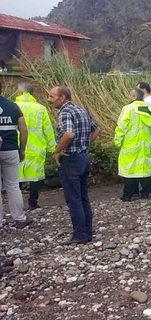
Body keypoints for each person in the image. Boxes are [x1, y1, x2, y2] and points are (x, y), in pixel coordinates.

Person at [48, 86, 99, 244]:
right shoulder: (80, 109)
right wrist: (84, 144)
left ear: (62, 97)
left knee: (74, 198)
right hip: (83, 157)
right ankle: (87, 232)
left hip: (70, 159)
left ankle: (79, 235)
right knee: (83, 197)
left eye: (51, 96)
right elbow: (97, 129)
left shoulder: (65, 112)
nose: (49, 99)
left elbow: (69, 134)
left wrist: (57, 150)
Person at [114, 88, 151, 201]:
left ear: (134, 97)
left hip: (129, 144)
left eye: (130, 95)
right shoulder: (148, 109)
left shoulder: (128, 109)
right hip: (144, 144)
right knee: (144, 169)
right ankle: (145, 193)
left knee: (128, 171)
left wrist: (117, 141)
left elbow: (122, 126)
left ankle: (128, 195)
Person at [15, 83, 56, 210]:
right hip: (37, 148)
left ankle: (17, 205)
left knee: (16, 178)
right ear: (32, 94)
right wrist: (52, 148)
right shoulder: (40, 108)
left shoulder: (13, 106)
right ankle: (33, 202)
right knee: (35, 178)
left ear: (20, 93)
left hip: (17, 147)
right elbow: (47, 130)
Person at [0, 81, 30, 229]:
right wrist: (22, 149)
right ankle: (19, 218)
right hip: (11, 150)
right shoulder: (12, 106)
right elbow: (23, 130)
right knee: (12, 185)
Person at [137, 81, 151, 194]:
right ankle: (148, 185)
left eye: (138, 89)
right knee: (150, 160)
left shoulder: (147, 102)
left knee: (148, 161)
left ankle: (148, 186)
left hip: (148, 135)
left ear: (144, 89)